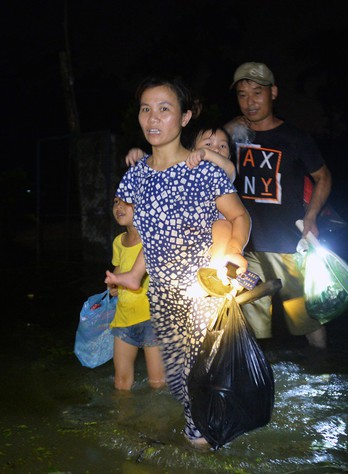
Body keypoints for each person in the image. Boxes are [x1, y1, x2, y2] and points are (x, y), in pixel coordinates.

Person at [114, 76, 251, 448]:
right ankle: (208, 439)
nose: (153, 118)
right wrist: (131, 275)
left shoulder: (203, 171)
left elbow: (239, 218)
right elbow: (147, 233)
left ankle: (207, 446)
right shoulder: (134, 177)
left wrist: (235, 250)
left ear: (185, 117)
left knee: (197, 382)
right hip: (161, 297)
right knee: (184, 389)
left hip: (204, 292)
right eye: (146, 109)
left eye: (164, 109)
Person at [224, 61, 332, 349]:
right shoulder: (233, 137)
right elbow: (202, 158)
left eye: (257, 92)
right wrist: (225, 130)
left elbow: (323, 177)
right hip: (246, 247)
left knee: (306, 319)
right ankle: (264, 380)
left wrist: (311, 217)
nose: (249, 102)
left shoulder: (295, 138)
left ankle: (324, 370)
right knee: (254, 326)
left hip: (288, 245)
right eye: (242, 94)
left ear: (273, 92)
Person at [106, 124, 236, 291]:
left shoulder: (221, 176)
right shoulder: (185, 177)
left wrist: (205, 153)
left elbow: (229, 168)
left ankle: (213, 271)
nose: (216, 149)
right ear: (191, 151)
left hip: (215, 238)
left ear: (230, 154)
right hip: (185, 240)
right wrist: (143, 158)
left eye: (222, 146)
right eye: (208, 144)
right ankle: (135, 274)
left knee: (222, 226)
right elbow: (161, 173)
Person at [106, 196, 166, 391]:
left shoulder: (155, 238)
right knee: (121, 383)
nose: (119, 207)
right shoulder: (118, 241)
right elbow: (118, 268)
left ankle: (159, 420)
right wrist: (113, 285)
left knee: (158, 382)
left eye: (126, 201)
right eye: (115, 202)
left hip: (153, 317)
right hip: (124, 317)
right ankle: (123, 420)